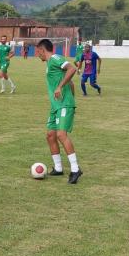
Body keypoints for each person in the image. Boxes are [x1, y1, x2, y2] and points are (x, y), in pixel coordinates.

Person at [36, 38, 83, 184]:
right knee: (50, 135)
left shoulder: (55, 58)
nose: (38, 55)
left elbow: (72, 69)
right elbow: (72, 82)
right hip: (56, 106)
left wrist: (60, 88)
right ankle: (58, 167)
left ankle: (75, 169)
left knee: (61, 135)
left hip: (63, 104)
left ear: (43, 50)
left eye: (38, 52)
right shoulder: (50, 64)